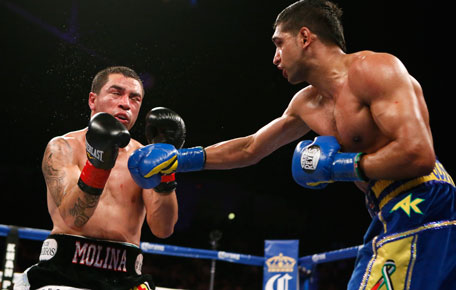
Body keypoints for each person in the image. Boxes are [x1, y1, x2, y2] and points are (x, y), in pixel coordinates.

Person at [128, 0, 456, 289]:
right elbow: (250, 148)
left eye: (279, 43)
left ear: (304, 36)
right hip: (387, 209)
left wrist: (341, 166)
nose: (275, 58)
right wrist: (177, 160)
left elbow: (419, 154)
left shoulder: (374, 69)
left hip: (424, 200)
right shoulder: (307, 103)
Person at [14, 66, 182, 290]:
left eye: (135, 98)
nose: (126, 103)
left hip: (126, 276)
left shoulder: (145, 158)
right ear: (92, 100)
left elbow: (163, 229)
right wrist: (99, 163)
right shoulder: (64, 147)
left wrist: (165, 172)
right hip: (64, 272)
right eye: (116, 93)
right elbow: (74, 218)